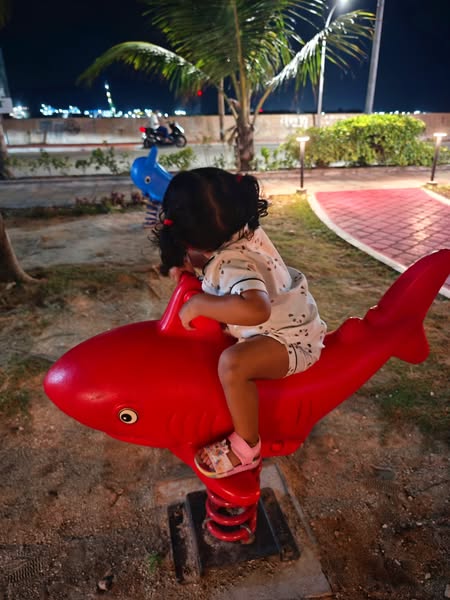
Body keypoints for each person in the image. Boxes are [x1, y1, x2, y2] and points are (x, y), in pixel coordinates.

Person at [154, 168, 326, 479]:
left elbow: (256, 309)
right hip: (295, 317)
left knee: (232, 365)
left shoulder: (230, 263)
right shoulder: (242, 228)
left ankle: (247, 447)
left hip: (289, 342)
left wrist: (200, 303)